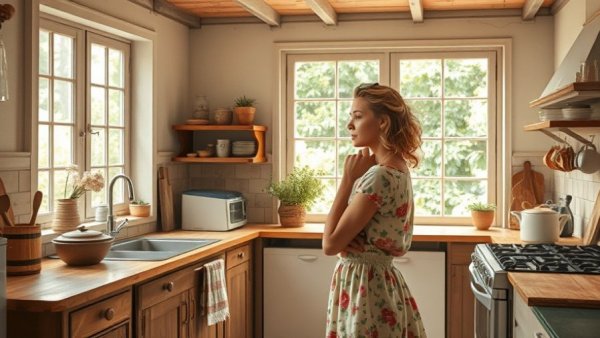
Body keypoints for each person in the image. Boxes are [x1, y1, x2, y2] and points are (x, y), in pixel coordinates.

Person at [323, 83, 426, 338]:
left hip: (365, 290)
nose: (350, 125)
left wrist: (347, 180)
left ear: (382, 122)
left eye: (358, 116)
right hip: (380, 284)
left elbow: (329, 244)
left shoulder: (379, 176)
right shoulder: (398, 167)